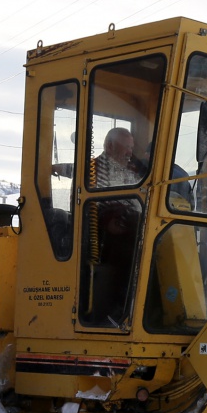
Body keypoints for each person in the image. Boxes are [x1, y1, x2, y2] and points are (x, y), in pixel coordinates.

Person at [85, 127, 148, 325]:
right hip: (104, 236)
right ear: (110, 146)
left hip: (130, 226)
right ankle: (119, 311)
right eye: (126, 147)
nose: (130, 152)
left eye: (132, 147)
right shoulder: (93, 169)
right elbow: (88, 208)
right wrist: (106, 220)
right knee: (131, 253)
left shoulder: (132, 171)